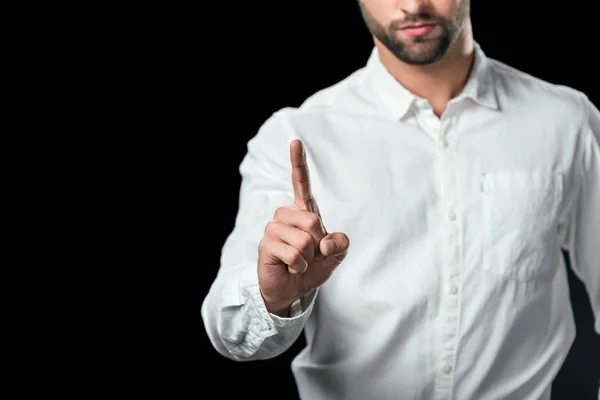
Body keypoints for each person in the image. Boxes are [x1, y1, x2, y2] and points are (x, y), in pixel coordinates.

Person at [201, 0, 600, 398]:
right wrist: (274, 294)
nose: (413, 5)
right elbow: (232, 335)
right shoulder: (297, 136)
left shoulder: (565, 121)